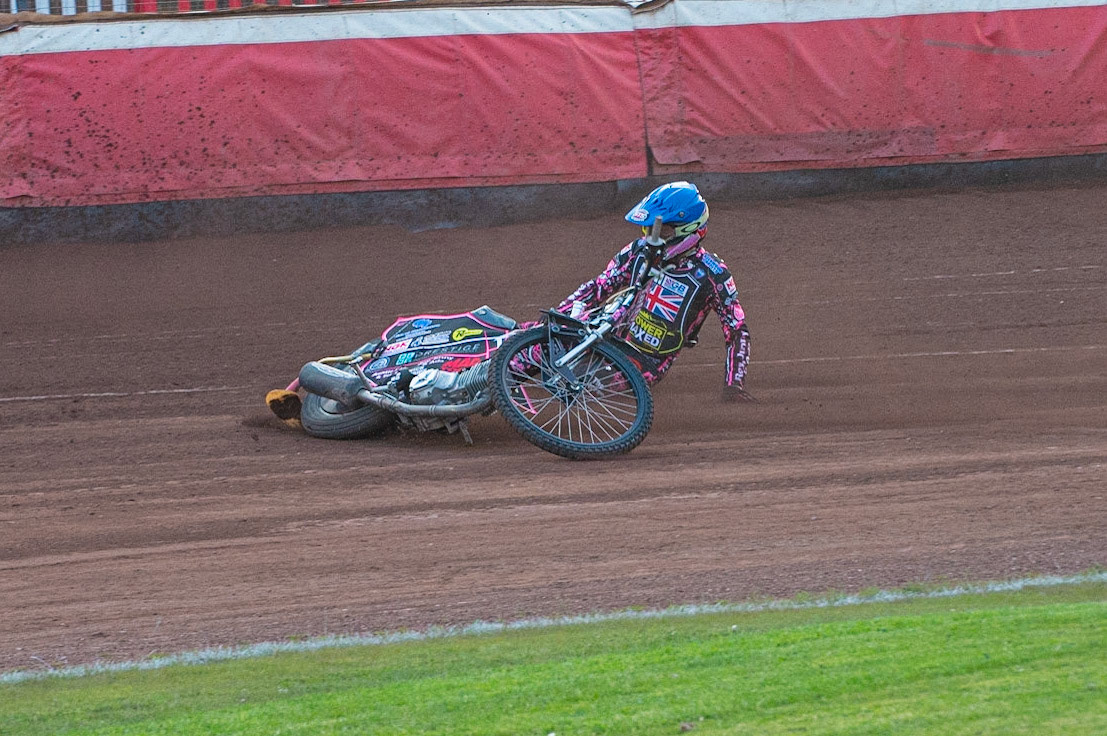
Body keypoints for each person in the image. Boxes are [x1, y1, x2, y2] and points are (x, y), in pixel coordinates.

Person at [551, 181, 754, 402]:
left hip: (642, 362)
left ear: (686, 228)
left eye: (661, 229)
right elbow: (599, 286)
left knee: (570, 390)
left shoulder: (712, 273)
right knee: (530, 348)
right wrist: (558, 317)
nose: (651, 236)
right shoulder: (639, 250)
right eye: (649, 228)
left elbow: (736, 330)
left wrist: (734, 385)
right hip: (602, 333)